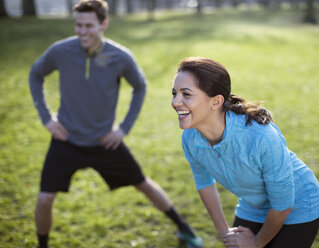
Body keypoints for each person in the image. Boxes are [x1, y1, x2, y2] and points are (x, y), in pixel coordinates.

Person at [29, 1, 203, 248]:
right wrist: (47, 118)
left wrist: (123, 129)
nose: (82, 32)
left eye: (89, 25)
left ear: (104, 24)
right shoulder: (60, 51)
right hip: (66, 139)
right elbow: (36, 74)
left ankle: (185, 230)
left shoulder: (119, 57)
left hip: (104, 141)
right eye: (78, 25)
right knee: (44, 199)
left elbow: (140, 86)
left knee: (143, 184)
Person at [171, 57, 319, 248]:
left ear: (216, 101)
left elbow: (284, 205)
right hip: (253, 206)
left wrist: (256, 243)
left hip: (298, 205)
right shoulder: (190, 139)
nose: (176, 102)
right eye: (174, 93)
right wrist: (224, 232)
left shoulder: (261, 137)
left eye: (186, 94)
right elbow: (204, 183)